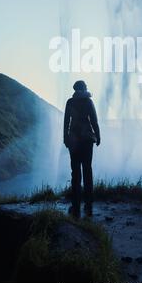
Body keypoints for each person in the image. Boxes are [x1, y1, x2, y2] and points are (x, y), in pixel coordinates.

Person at [64, 80, 100, 218]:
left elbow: (66, 122)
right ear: (84, 88)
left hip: (73, 141)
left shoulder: (70, 102)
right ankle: (89, 205)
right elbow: (94, 121)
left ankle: (75, 205)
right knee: (87, 171)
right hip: (87, 140)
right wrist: (98, 136)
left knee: (75, 173)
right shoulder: (88, 102)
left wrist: (65, 138)